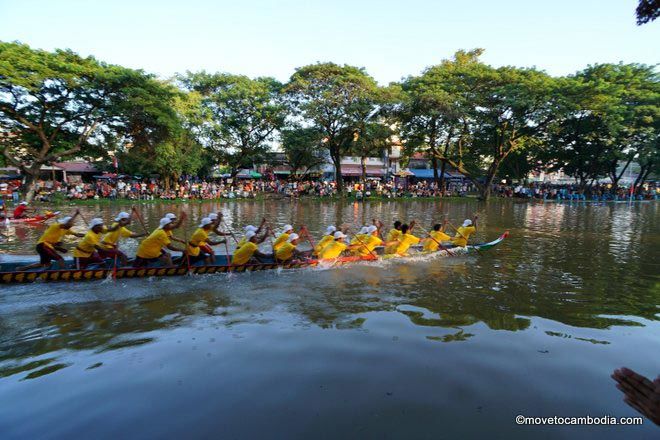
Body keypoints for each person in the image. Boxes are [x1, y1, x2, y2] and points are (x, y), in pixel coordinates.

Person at [17, 210, 85, 271]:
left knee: (45, 264)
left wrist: (88, 234)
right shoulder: (56, 226)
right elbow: (68, 224)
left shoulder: (67, 229)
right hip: (43, 245)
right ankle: (63, 273)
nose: (72, 224)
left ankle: (22, 269)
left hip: (43, 246)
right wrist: (75, 214)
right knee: (60, 259)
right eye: (71, 223)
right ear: (64, 223)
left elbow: (78, 235)